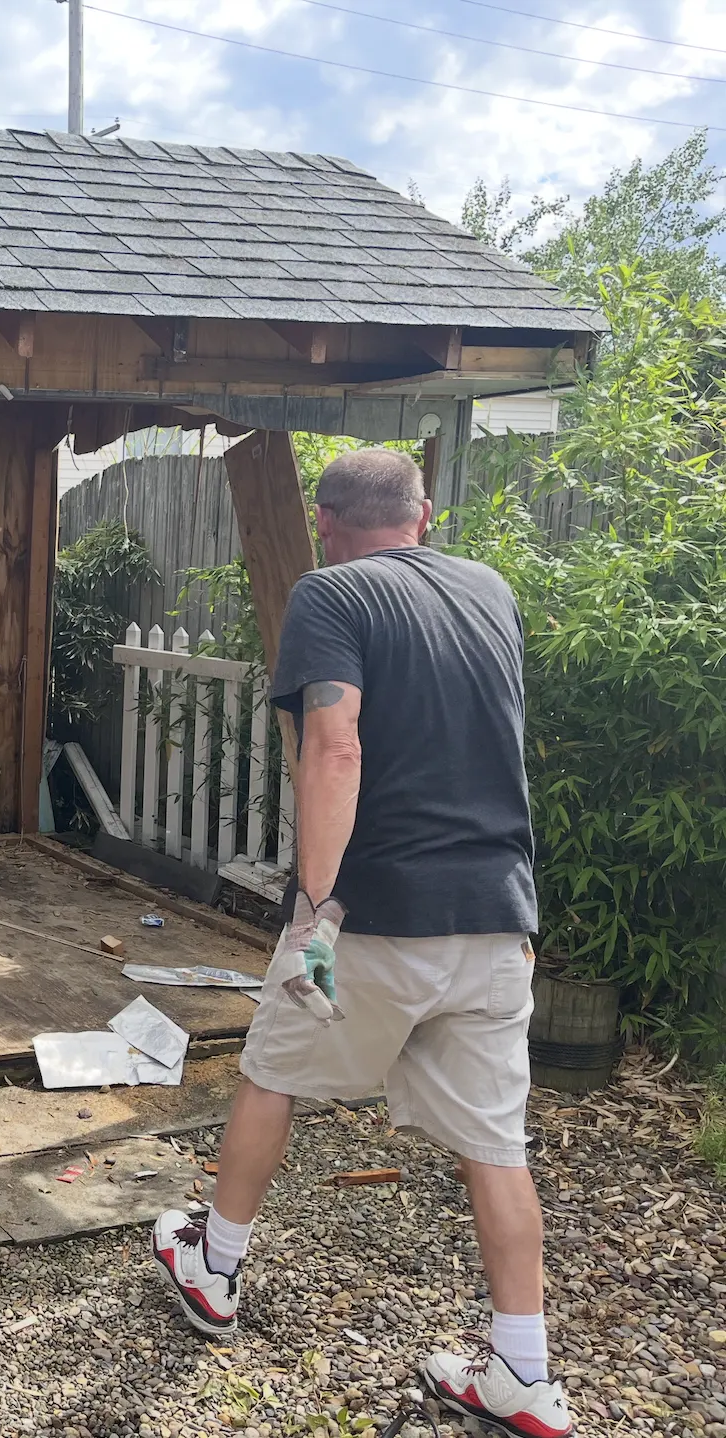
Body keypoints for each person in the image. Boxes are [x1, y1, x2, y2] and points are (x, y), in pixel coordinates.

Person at [149, 447, 574, 1438]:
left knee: (273, 1072)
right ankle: (525, 1373)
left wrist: (317, 912)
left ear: (324, 517)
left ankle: (213, 1267)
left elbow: (338, 745)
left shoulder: (330, 595)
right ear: (425, 513)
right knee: (495, 1147)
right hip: (498, 916)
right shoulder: (491, 591)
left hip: (381, 914)